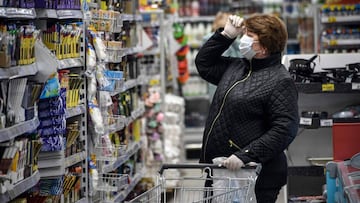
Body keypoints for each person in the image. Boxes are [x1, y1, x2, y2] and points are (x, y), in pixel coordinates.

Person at [195, 13, 299, 203]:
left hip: (255, 175)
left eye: (250, 36)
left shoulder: (280, 80)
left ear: (264, 48)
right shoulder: (237, 68)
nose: (243, 39)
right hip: (222, 170)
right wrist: (225, 36)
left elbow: (285, 128)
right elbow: (204, 64)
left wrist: (246, 155)